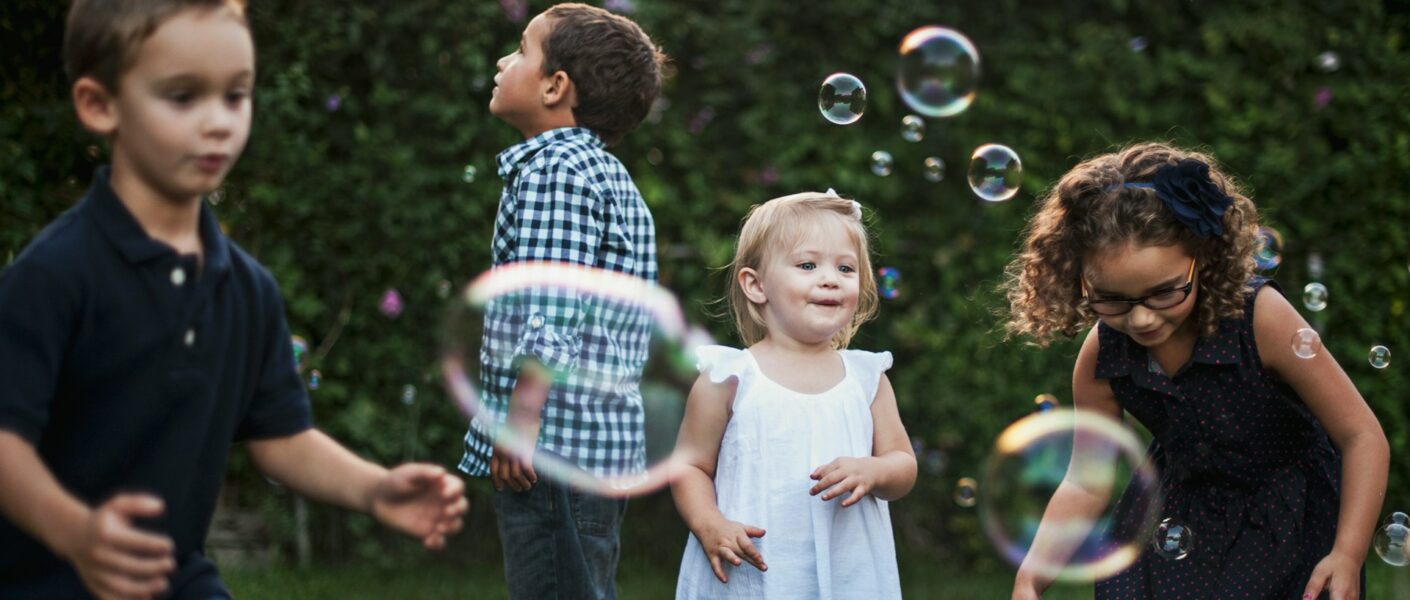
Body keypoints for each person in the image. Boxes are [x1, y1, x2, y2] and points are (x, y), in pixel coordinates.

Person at [0, 1, 468, 598]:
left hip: (178, 581)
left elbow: (281, 436)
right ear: (100, 104)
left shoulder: (247, 289)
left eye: (235, 95)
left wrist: (374, 489)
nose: (219, 122)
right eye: (183, 97)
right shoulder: (55, 275)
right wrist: (75, 532)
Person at [1001, 142, 1389, 600]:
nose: (1142, 319)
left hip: (1289, 517)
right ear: (1077, 278)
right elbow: (1087, 480)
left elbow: (1362, 436)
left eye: (1164, 292)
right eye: (1111, 299)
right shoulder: (1103, 357)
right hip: (1179, 523)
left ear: (1203, 257)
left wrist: (1347, 554)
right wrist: (1032, 573)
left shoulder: (1260, 320)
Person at [456, 3, 666, 598]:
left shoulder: (559, 170)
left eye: (520, 49)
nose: (502, 62)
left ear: (556, 86)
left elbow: (553, 306)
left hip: (552, 447)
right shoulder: (603, 173)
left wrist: (520, 421)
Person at [671, 191, 917, 599]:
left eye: (846, 267)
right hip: (756, 576)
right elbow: (689, 466)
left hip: (848, 575)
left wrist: (874, 471)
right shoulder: (730, 377)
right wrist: (709, 523)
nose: (829, 278)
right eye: (807, 265)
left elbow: (903, 465)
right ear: (756, 284)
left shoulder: (866, 377)